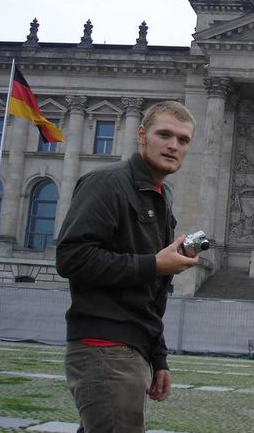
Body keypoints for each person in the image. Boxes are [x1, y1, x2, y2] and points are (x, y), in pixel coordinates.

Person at [56, 101, 199, 432]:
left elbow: (152, 291)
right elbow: (71, 257)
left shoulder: (160, 200)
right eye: (164, 134)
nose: (173, 145)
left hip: (130, 349)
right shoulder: (107, 183)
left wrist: (158, 357)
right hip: (104, 347)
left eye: (183, 139)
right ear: (141, 135)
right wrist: (154, 264)